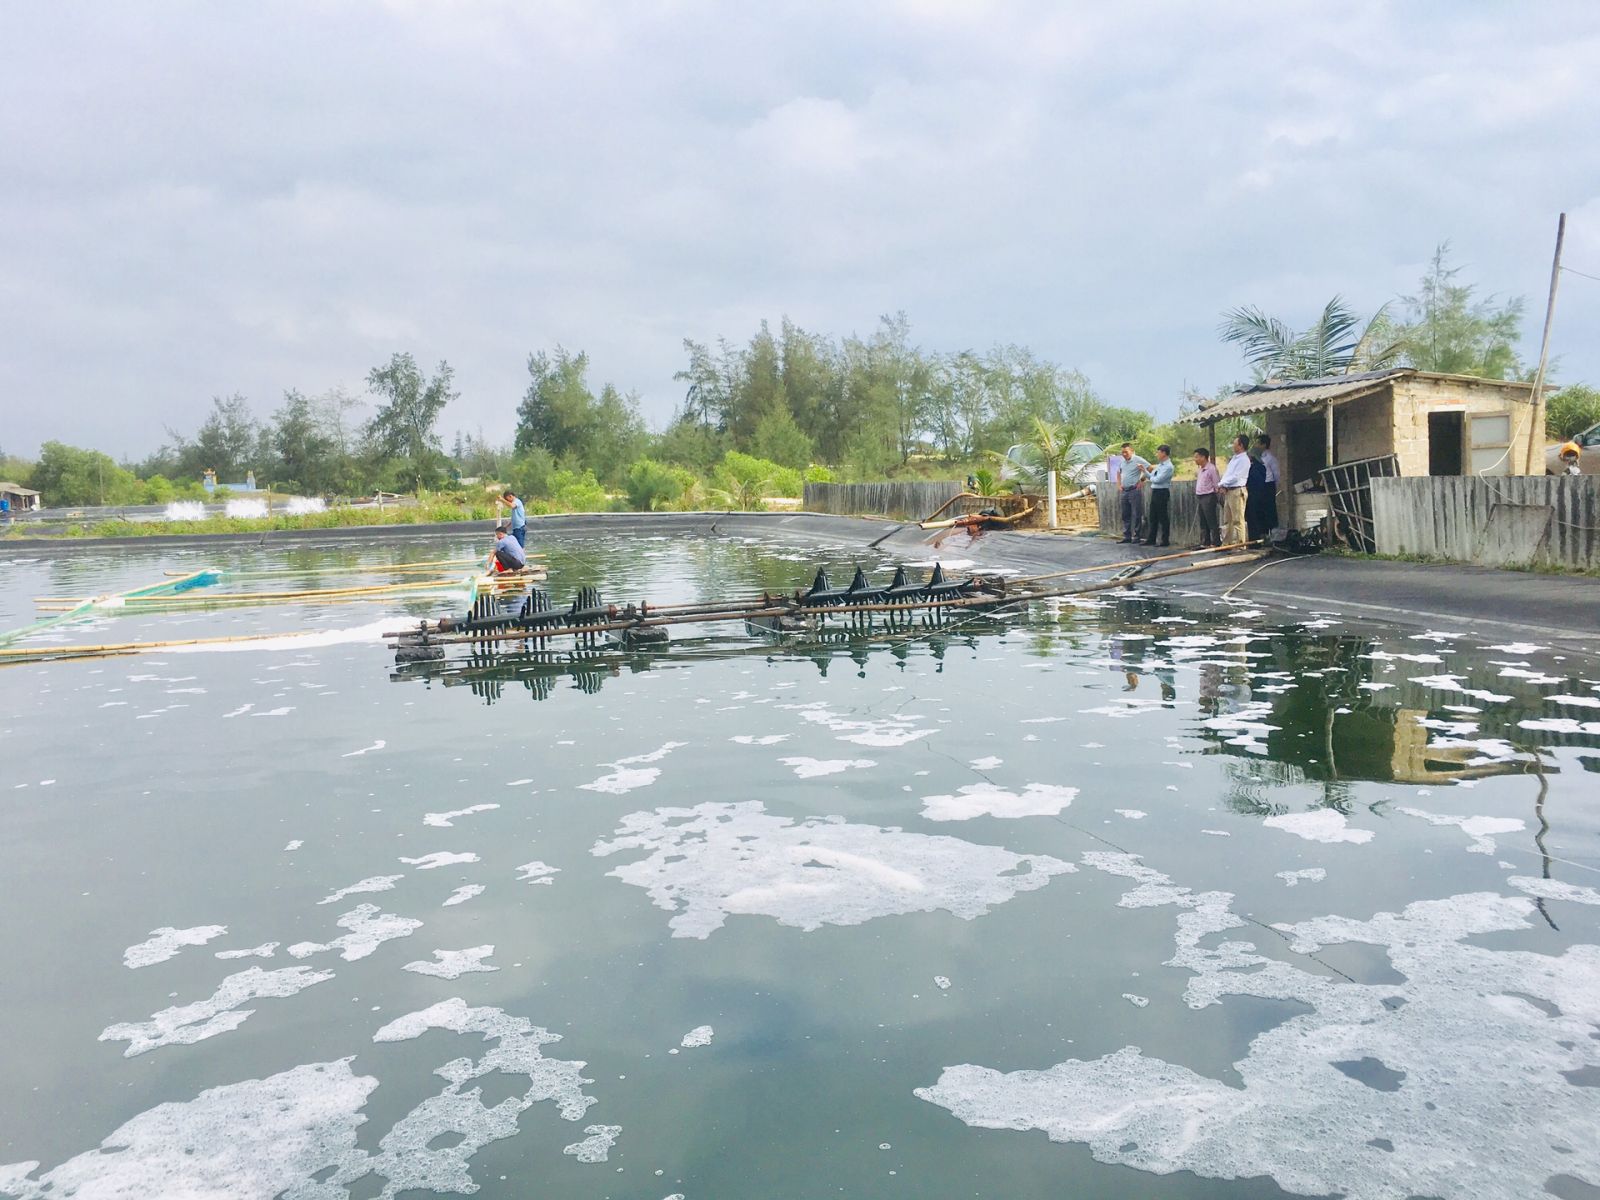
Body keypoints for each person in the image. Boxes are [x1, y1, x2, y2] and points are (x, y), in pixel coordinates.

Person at [1219, 435, 1250, 545]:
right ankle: (1226, 543)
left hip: (1237, 490)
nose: (1233, 446)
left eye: (1235, 444)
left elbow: (1236, 477)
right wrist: (1222, 484)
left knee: (1238, 519)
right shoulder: (1234, 459)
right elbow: (1228, 474)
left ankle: (1241, 544)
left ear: (1241, 445)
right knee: (1228, 519)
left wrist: (1222, 483)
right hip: (1229, 490)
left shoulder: (1244, 460)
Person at [1116, 442, 1149, 543]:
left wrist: (1142, 480)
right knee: (1125, 514)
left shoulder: (1138, 459)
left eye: (1126, 452)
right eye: (1122, 452)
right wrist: (1119, 484)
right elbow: (1118, 472)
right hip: (1124, 491)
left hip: (1134, 490)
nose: (1124, 454)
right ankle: (1127, 536)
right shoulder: (1122, 462)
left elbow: (1150, 468)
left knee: (1136, 513)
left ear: (1132, 451)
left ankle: (1136, 536)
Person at [1142, 444, 1174, 546]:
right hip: (1155, 491)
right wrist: (1144, 471)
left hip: (1162, 492)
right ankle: (1151, 538)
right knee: (1153, 516)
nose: (1157, 454)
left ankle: (1165, 540)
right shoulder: (1160, 465)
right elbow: (1152, 476)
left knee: (1162, 516)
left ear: (1164, 453)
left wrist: (1151, 479)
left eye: (1158, 452)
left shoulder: (1168, 467)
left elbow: (1158, 480)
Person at [1192, 447, 1221, 547]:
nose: (1195, 459)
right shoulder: (1200, 469)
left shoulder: (1211, 469)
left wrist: (1216, 497)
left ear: (1203, 457)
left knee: (1211, 520)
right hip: (1200, 496)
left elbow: (1216, 484)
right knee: (1203, 521)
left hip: (1209, 496)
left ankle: (1216, 542)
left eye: (1196, 457)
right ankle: (1205, 541)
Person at [1253, 434, 1281, 533]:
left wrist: (1273, 485)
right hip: (1259, 486)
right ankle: (1263, 534)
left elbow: (1276, 473)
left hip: (1268, 485)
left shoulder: (1270, 458)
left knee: (1270, 509)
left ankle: (1274, 533)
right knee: (1260, 510)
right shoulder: (1257, 457)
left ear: (1264, 445)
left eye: (1258, 443)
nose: (1256, 445)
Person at [1245, 445, 1271, 543]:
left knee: (1254, 519)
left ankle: (1255, 541)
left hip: (1254, 496)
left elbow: (1254, 482)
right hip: (1259, 495)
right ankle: (1259, 538)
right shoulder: (1260, 467)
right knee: (1258, 518)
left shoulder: (1255, 468)